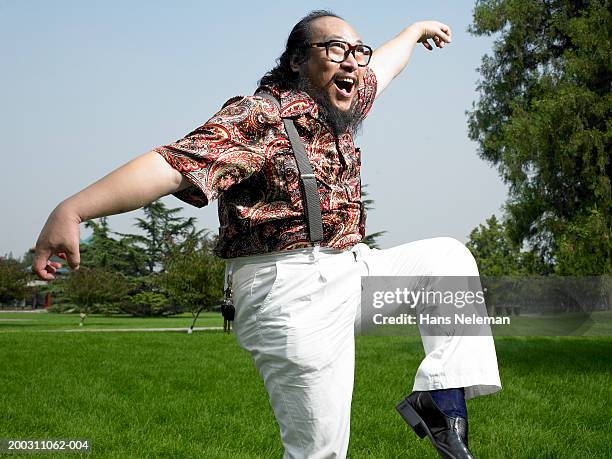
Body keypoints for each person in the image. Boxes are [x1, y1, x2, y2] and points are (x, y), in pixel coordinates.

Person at [33, 10, 501, 459]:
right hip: (289, 290)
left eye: (357, 52)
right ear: (297, 60)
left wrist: (415, 30)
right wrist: (73, 209)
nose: (352, 62)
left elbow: (385, 64)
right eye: (336, 49)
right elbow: (172, 166)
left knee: (448, 260)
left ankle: (441, 405)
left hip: (351, 269)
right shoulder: (260, 115)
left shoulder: (344, 100)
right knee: (319, 452)